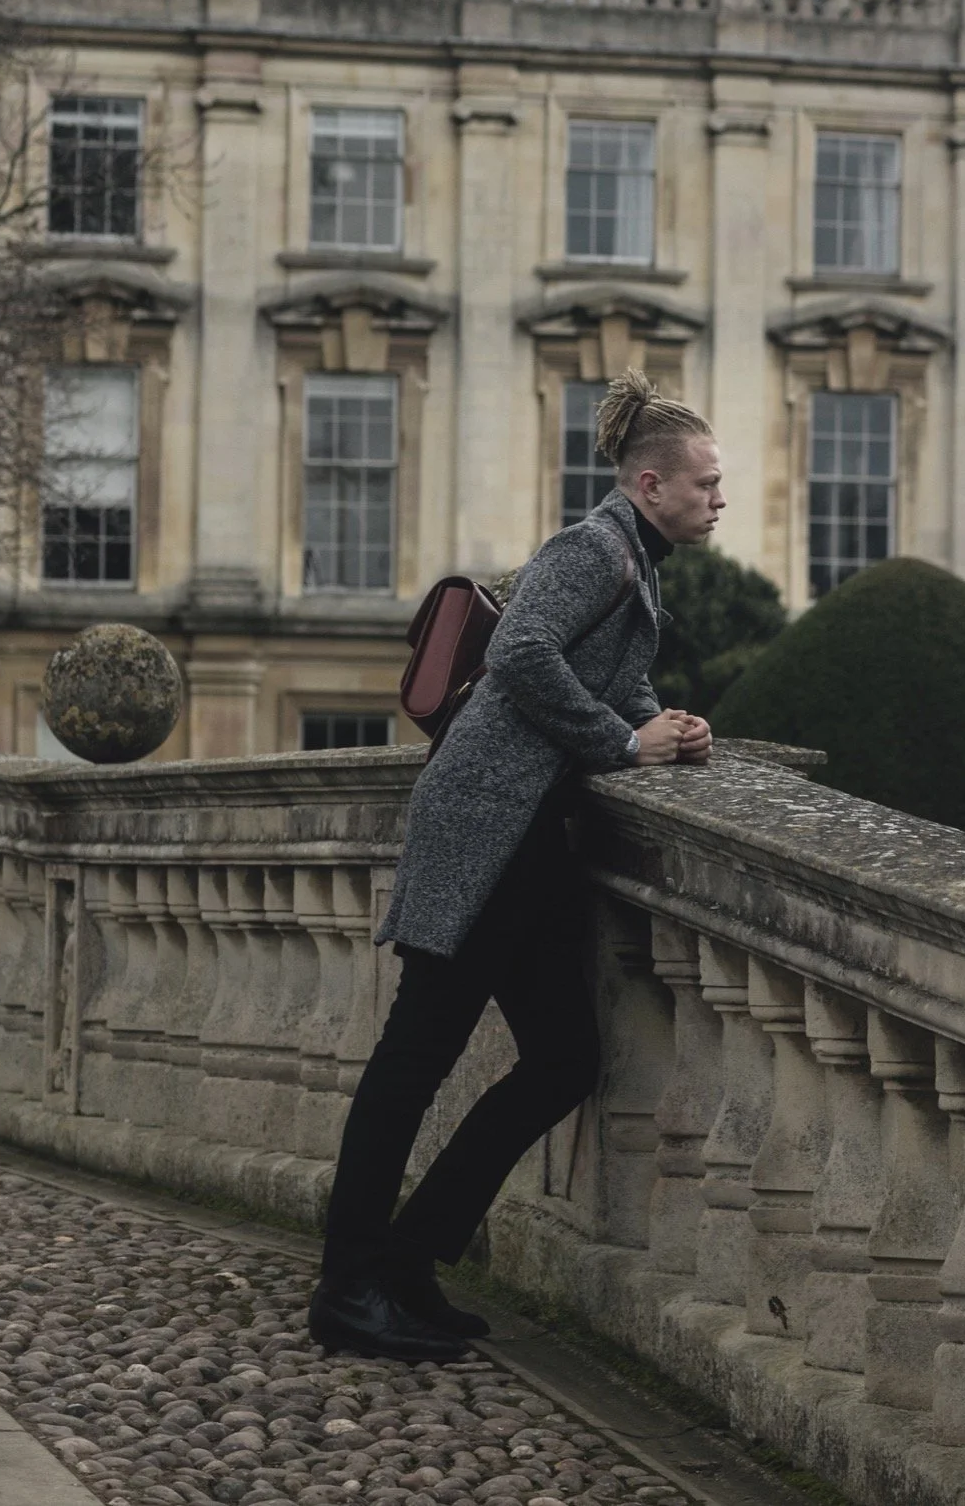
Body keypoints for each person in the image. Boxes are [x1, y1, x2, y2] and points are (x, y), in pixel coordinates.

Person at [307, 369, 723, 1362]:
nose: (719, 498)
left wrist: (665, 724)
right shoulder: (594, 548)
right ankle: (347, 1287)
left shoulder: (637, 561)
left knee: (563, 1059)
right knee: (415, 1057)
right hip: (486, 826)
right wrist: (622, 744)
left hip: (528, 836)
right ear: (651, 484)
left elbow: (602, 677)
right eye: (705, 482)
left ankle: (409, 1259)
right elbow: (523, 652)